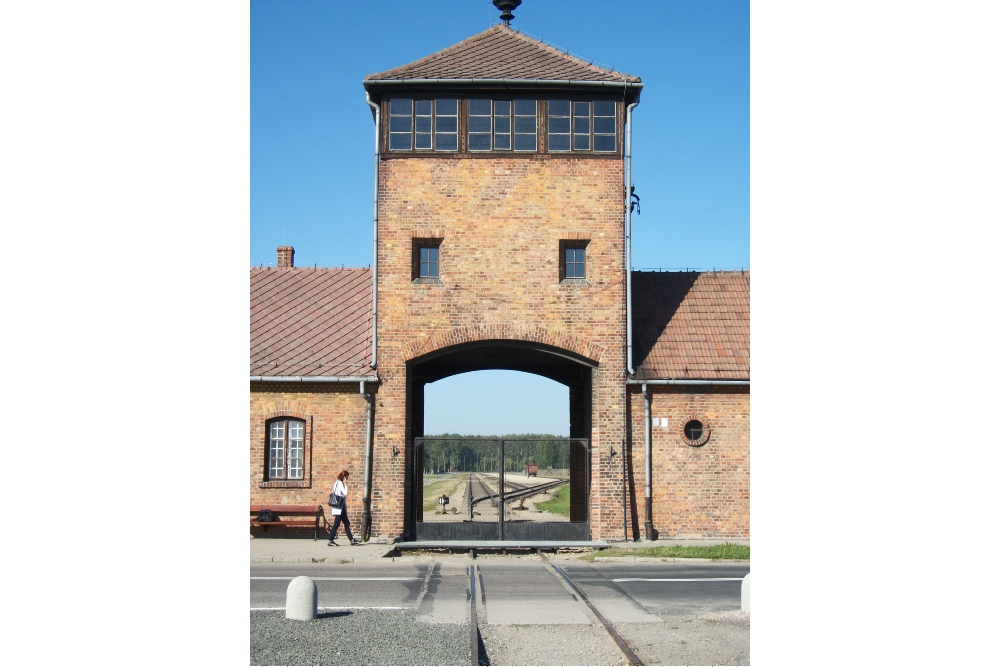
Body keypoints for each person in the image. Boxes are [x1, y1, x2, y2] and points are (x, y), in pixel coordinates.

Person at [327, 469, 360, 546]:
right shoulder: (340, 483)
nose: (347, 479)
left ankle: (351, 540)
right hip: (339, 508)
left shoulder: (336, 483)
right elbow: (345, 493)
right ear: (344, 477)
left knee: (347, 523)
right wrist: (345, 484)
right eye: (347, 477)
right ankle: (330, 540)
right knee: (336, 524)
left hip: (340, 508)